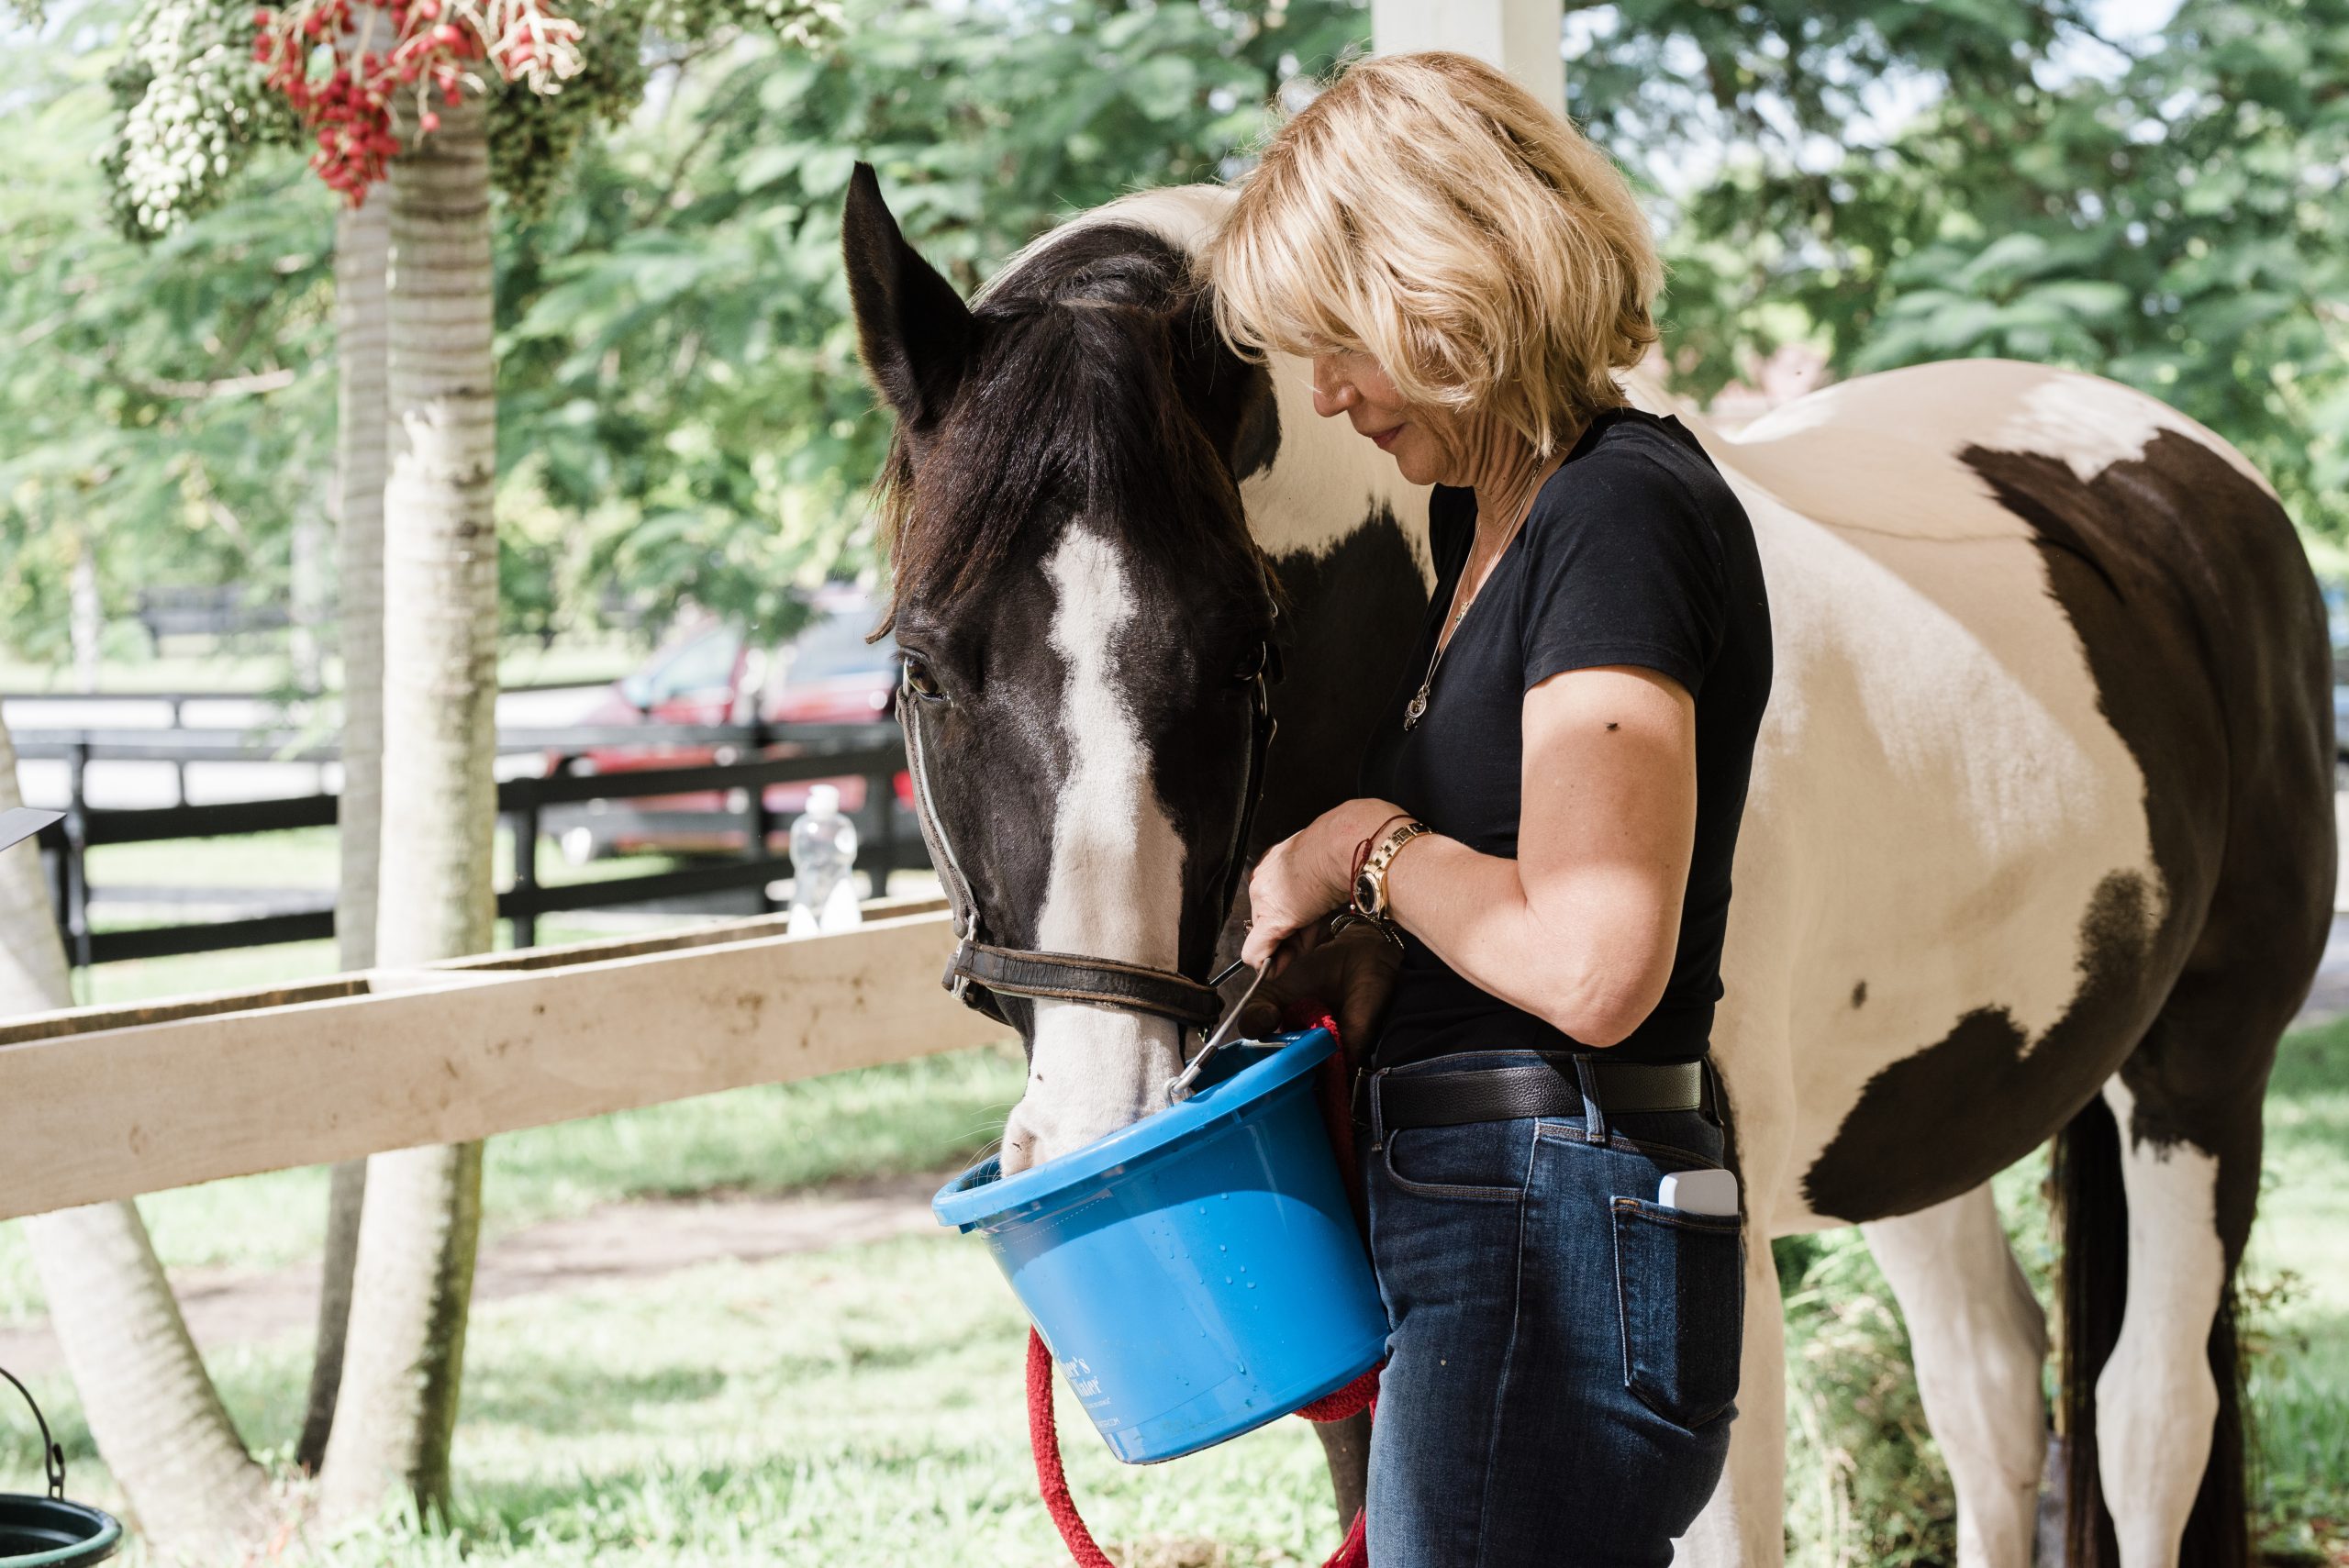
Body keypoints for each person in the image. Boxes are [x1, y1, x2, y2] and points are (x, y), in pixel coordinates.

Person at [1203, 50, 1775, 1568]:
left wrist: (1365, 847)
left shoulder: (1618, 511)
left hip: (1550, 1230)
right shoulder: (1490, 520)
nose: (1326, 395)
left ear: (1443, 287)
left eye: (1340, 345)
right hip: (1509, 1213)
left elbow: (1595, 962)